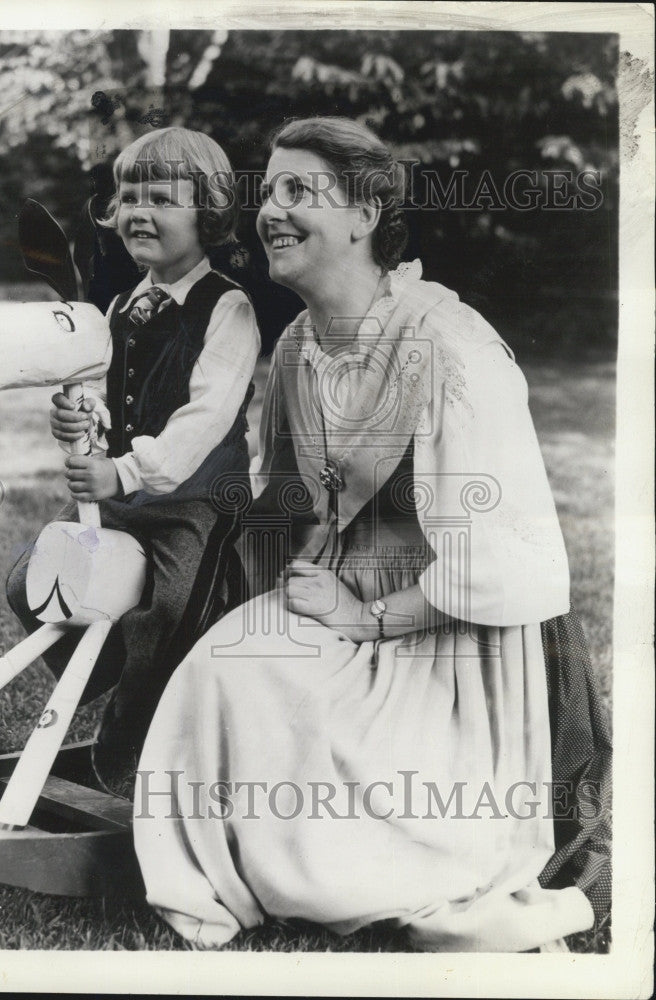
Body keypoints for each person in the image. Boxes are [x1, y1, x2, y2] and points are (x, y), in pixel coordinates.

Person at [131, 117, 611, 951]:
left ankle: (353, 863)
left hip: (461, 645)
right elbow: (283, 507)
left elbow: (502, 566)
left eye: (297, 192)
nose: (269, 213)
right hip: (351, 604)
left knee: (348, 784)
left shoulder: (448, 348)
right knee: (232, 660)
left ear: (363, 216)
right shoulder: (295, 348)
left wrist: (365, 619)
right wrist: (298, 574)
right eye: (266, 193)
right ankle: (233, 871)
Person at [6, 127, 260, 792]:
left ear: (207, 214)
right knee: (31, 581)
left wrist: (122, 470)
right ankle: (110, 673)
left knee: (170, 615)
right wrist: (79, 418)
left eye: (162, 199)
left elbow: (203, 419)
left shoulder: (227, 308)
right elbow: (100, 395)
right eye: (129, 196)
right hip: (123, 499)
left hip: (193, 505)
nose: (139, 211)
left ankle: (133, 754)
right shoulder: (119, 306)